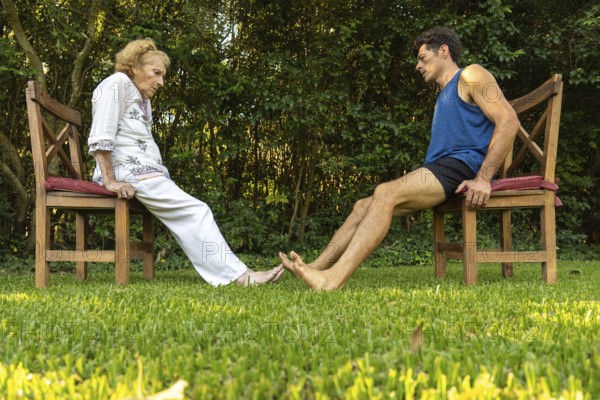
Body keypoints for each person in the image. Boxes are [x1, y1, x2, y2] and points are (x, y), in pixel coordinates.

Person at [278, 27, 520, 290]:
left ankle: (332, 279)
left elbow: (508, 121)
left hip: (460, 167)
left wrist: (483, 179)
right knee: (362, 206)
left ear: (444, 51)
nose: (417, 65)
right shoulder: (445, 93)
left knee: (385, 192)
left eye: (422, 58)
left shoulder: (471, 74)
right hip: (441, 170)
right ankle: (314, 267)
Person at [88, 38, 283, 286]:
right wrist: (110, 180)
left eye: (163, 75)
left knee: (194, 211)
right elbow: (101, 134)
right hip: (127, 173)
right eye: (156, 73)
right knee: (195, 211)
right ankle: (240, 277)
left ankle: (237, 273)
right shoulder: (116, 84)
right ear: (135, 66)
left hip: (142, 173)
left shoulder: (139, 97)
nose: (161, 82)